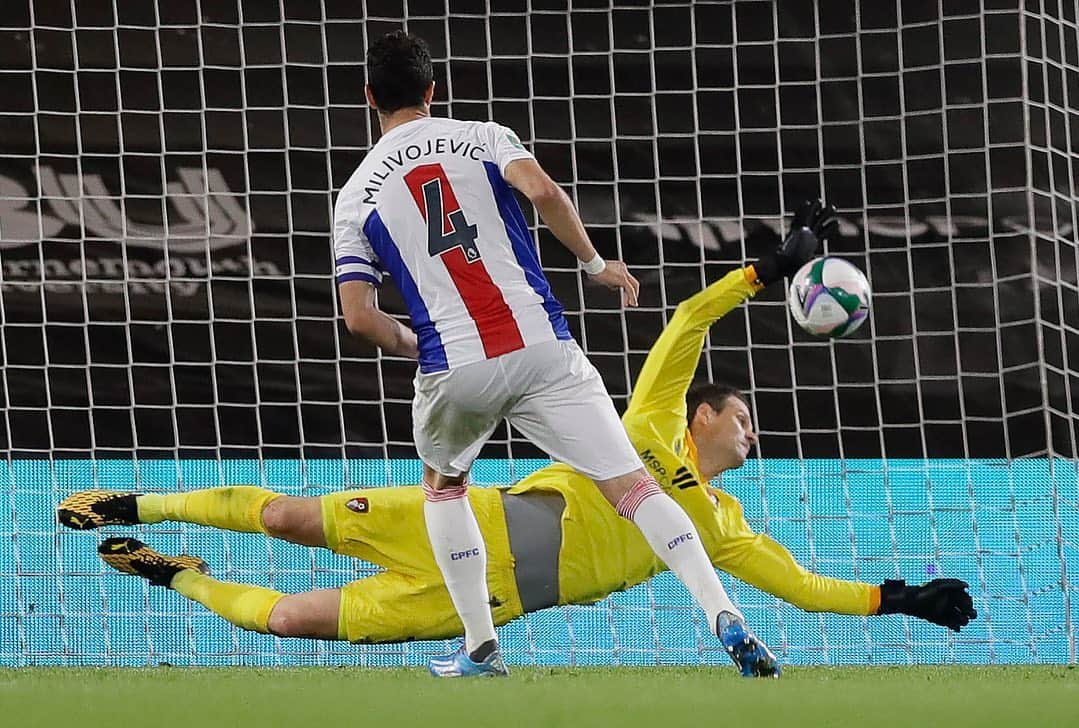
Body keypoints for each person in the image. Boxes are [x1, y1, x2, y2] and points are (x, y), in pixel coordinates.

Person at [58, 200, 977, 677]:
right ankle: (133, 501)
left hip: (485, 607)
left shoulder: (721, 525)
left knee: (296, 619)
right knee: (294, 518)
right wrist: (765, 272)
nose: (753, 435)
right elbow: (689, 322)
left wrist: (901, 600)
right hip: (459, 525)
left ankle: (174, 571)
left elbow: (805, 587)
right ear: (702, 415)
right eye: (745, 418)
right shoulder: (650, 419)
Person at [325, 29, 765, 676]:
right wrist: (592, 264)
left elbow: (359, 317)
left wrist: (413, 342)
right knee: (634, 487)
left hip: (455, 367)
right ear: (431, 90)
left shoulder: (355, 196)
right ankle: (722, 612)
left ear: (368, 98)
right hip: (541, 348)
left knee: (445, 489)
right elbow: (546, 194)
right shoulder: (482, 135)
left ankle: (481, 647)